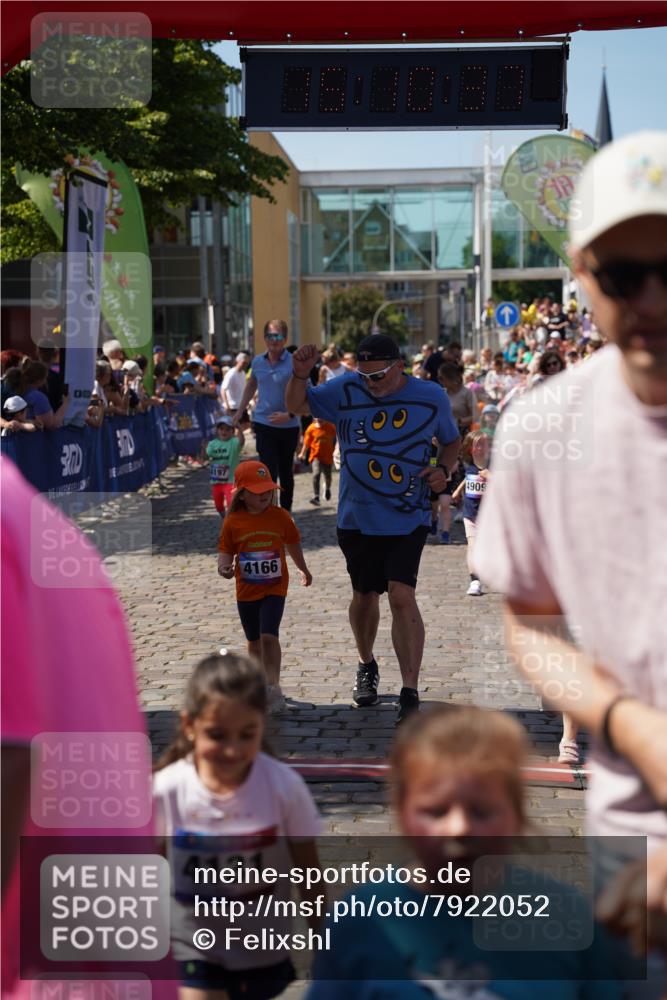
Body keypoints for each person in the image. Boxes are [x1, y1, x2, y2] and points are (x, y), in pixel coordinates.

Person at [474, 131, 667, 983]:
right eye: (624, 276)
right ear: (581, 275)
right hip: (626, 828)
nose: (652, 300)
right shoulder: (540, 428)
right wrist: (625, 722)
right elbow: (529, 624)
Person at [307, 705, 621, 999]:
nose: (459, 828)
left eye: (482, 811)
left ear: (516, 813)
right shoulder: (359, 921)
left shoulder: (570, 921)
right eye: (436, 811)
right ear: (402, 812)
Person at [285, 334, 460, 723]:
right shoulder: (346, 388)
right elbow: (296, 405)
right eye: (364, 376)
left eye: (378, 375)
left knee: (401, 595)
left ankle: (410, 690)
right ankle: (366, 663)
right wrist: (299, 374)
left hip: (408, 514)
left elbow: (451, 442)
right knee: (365, 597)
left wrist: (443, 471)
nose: (371, 383)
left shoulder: (430, 396)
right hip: (357, 516)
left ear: (399, 366)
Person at [153, 651, 323, 1000]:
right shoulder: (166, 790)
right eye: (217, 735)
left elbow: (309, 874)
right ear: (190, 726)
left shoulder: (284, 788)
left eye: (247, 734)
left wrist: (325, 941)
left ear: (262, 725)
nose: (232, 750)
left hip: (262, 952)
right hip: (192, 948)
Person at [217, 461, 312, 713]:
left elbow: (293, 543)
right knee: (253, 640)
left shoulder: (280, 517)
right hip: (246, 590)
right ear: (242, 494)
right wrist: (224, 568)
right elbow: (225, 551)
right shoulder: (233, 522)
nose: (265, 495)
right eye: (257, 491)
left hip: (275, 588)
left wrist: (303, 568)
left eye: (268, 490)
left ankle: (273, 687)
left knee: (269, 635)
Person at [233, 320, 301, 512]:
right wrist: (240, 410)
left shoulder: (295, 362)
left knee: (286, 471)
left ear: (285, 339)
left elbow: (306, 392)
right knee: (267, 472)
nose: (274, 340)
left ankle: (285, 512)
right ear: (264, 338)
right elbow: (251, 385)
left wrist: (290, 414)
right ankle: (270, 512)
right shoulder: (257, 362)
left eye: (278, 336)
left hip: (288, 426)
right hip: (263, 423)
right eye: (270, 336)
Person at [451, 431, 491, 596]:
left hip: (490, 516)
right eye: (478, 444)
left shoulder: (494, 464)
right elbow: (468, 478)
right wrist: (458, 491)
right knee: (472, 546)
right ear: (471, 448)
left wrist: (490, 476)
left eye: (485, 443)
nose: (483, 447)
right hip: (471, 513)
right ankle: (475, 581)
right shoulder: (467, 465)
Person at [206, 415, 245, 519]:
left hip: (230, 480)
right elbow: (206, 455)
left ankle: (229, 521)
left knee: (230, 502)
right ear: (217, 430)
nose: (224, 431)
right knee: (218, 506)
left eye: (228, 429)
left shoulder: (234, 442)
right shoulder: (212, 444)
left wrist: (240, 429)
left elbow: (241, 441)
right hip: (216, 481)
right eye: (221, 429)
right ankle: (224, 517)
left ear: (232, 431)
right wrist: (203, 452)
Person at [18, 360, 69, 429]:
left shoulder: (17, 391)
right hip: (33, 435)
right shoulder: (38, 397)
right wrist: (65, 403)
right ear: (40, 380)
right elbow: (51, 425)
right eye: (46, 377)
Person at [298, 416, 336, 506]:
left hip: (328, 457)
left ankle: (327, 488)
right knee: (316, 474)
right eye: (317, 417)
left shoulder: (330, 427)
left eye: (321, 417)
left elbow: (338, 437)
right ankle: (316, 496)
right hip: (316, 457)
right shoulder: (311, 429)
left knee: (328, 477)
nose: (319, 419)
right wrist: (302, 453)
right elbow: (306, 443)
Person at [221, 352, 250, 423]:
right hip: (233, 407)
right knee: (236, 426)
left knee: (246, 425)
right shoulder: (231, 373)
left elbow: (243, 389)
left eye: (247, 363)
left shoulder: (243, 373)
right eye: (244, 362)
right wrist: (227, 405)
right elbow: (223, 390)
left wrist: (247, 402)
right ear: (237, 361)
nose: (245, 365)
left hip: (241, 406)